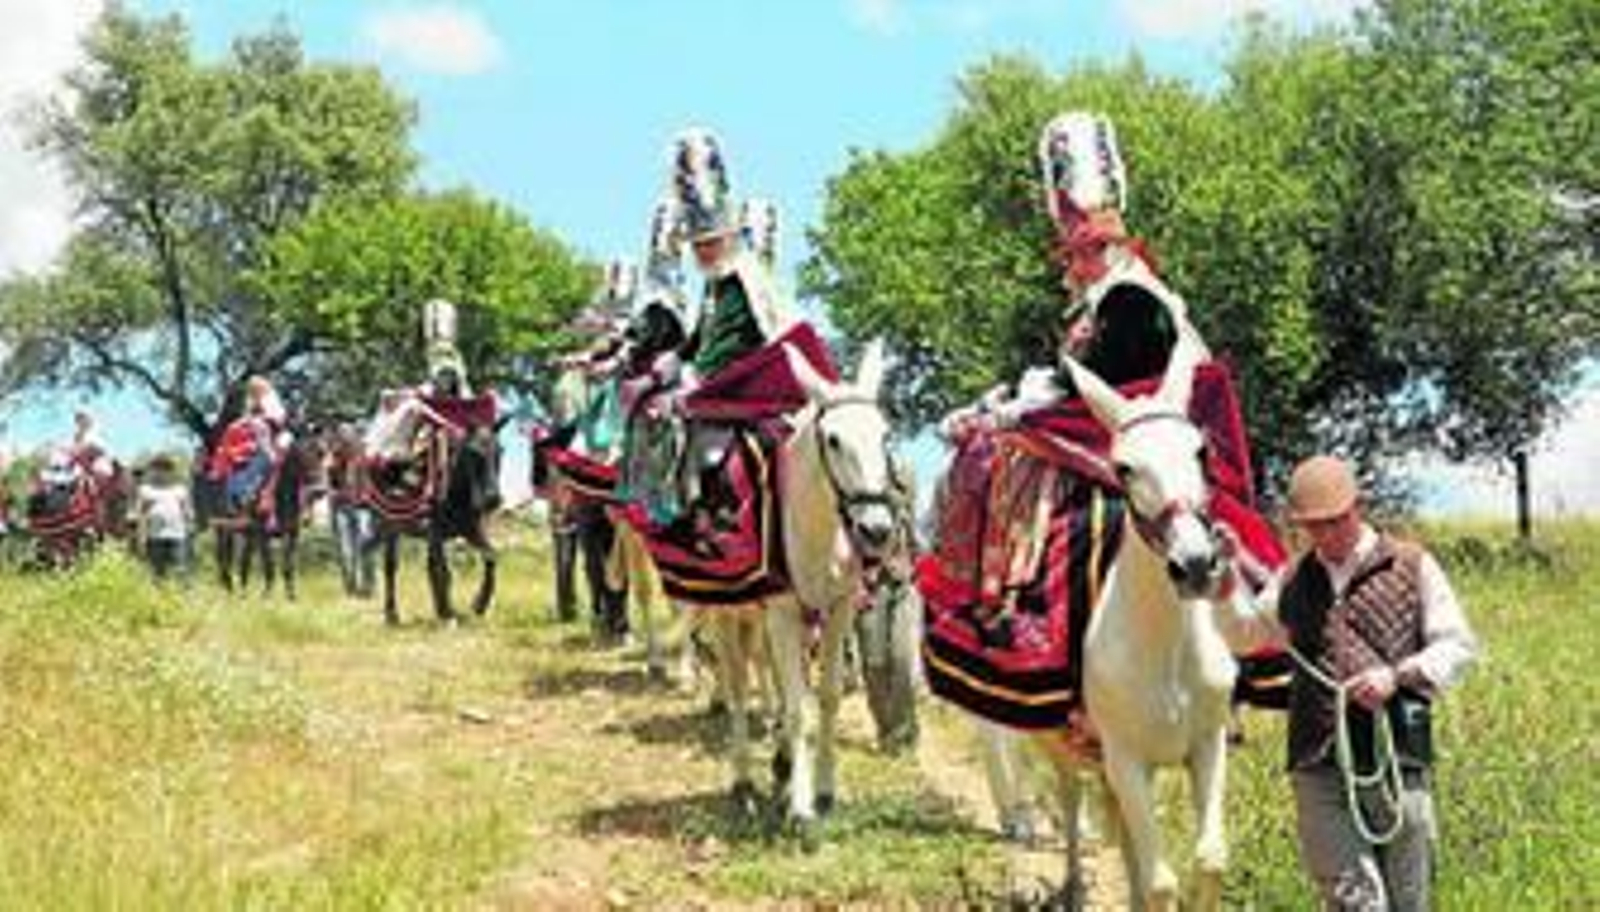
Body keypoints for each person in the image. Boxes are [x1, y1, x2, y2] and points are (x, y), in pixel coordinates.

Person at [1216, 454, 1479, 911]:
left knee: (1408, 900)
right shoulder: (1292, 578)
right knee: (1353, 901)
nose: (1325, 536)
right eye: (1313, 527)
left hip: (1394, 756)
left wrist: (1396, 676)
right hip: (1317, 761)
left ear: (1359, 507)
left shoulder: (1412, 564)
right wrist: (1223, 581)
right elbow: (1244, 635)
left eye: (1335, 522)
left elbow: (1458, 646)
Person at [135, 454, 193, 581]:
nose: (161, 472)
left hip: (178, 535)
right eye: (157, 468)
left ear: (171, 471)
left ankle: (180, 592)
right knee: (157, 573)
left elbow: (187, 512)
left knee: (180, 571)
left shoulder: (180, 490)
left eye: (165, 468)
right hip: (155, 536)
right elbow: (141, 516)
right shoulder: (146, 490)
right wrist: (141, 537)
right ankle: (158, 592)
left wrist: (190, 529)